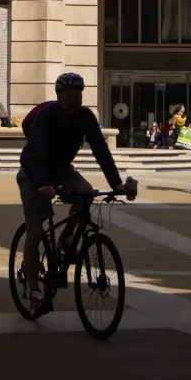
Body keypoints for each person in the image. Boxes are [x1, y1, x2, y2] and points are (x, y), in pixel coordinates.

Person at [17, 72, 136, 312]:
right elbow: (32, 154)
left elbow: (101, 150)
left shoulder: (85, 117)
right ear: (60, 97)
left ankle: (66, 237)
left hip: (61, 169)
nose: (74, 101)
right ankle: (33, 290)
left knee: (86, 192)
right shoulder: (46, 117)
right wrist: (41, 183)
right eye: (70, 96)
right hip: (34, 173)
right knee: (36, 229)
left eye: (78, 96)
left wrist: (116, 184)